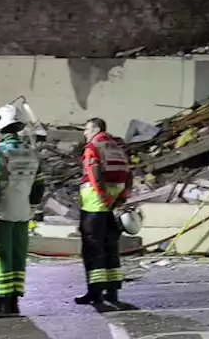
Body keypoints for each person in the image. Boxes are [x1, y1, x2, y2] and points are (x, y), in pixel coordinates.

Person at [0, 104, 45, 316]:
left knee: (1, 255)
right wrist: (32, 207)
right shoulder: (32, 152)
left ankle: (3, 300)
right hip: (24, 212)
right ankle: (15, 299)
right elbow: (39, 186)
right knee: (18, 254)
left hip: (3, 213)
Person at [73, 118, 133, 311]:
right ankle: (112, 290)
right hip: (112, 203)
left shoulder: (93, 147)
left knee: (93, 249)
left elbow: (93, 171)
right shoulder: (117, 147)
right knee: (110, 247)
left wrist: (102, 196)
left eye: (87, 128)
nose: (84, 132)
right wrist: (121, 198)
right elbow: (128, 174)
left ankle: (95, 292)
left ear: (97, 129)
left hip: (95, 205)